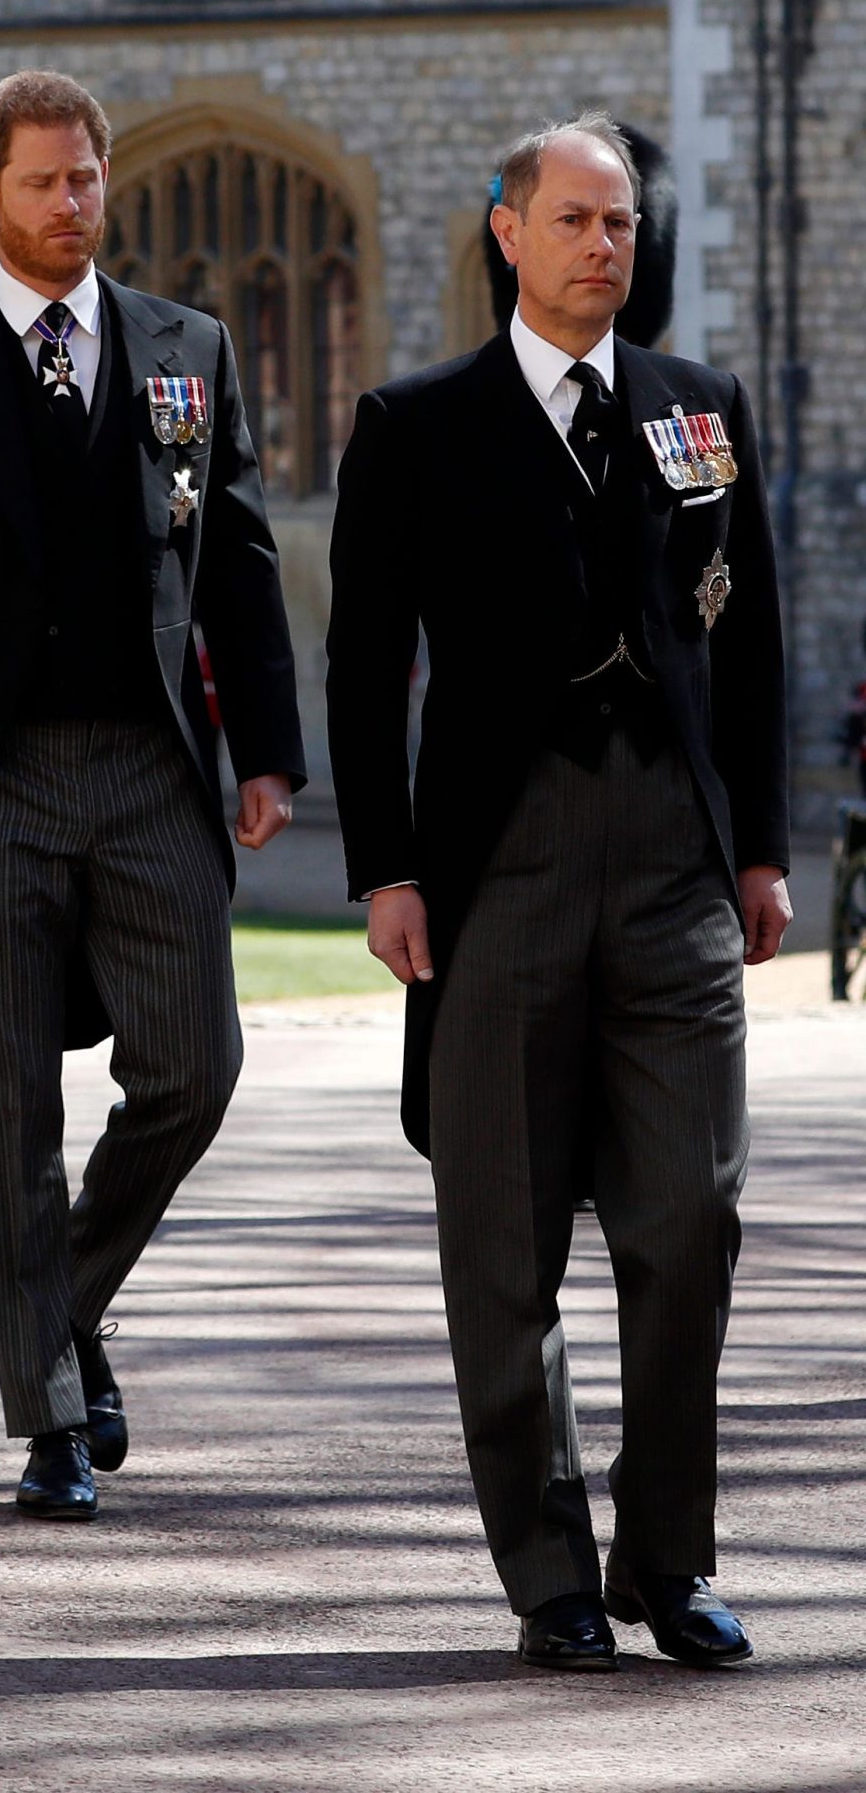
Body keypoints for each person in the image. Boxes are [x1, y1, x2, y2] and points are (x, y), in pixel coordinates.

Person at [327, 113, 788, 1672]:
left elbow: (759, 648)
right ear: (507, 232)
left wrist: (763, 848)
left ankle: (672, 1561)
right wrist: (384, 866)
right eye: (579, 220)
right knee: (504, 1239)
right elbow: (363, 658)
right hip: (497, 862)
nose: (610, 246)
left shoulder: (700, 410)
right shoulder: (418, 422)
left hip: (673, 858)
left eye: (626, 225)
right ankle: (551, 1577)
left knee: (692, 1216)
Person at [0, 70, 304, 1523]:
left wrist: (270, 746)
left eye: (86, 177)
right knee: (9, 1103)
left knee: (194, 1068)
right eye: (40, 183)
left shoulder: (187, 348)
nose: (69, 203)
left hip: (152, 762)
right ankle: (47, 1418)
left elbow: (236, 553)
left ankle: (63, 1311)